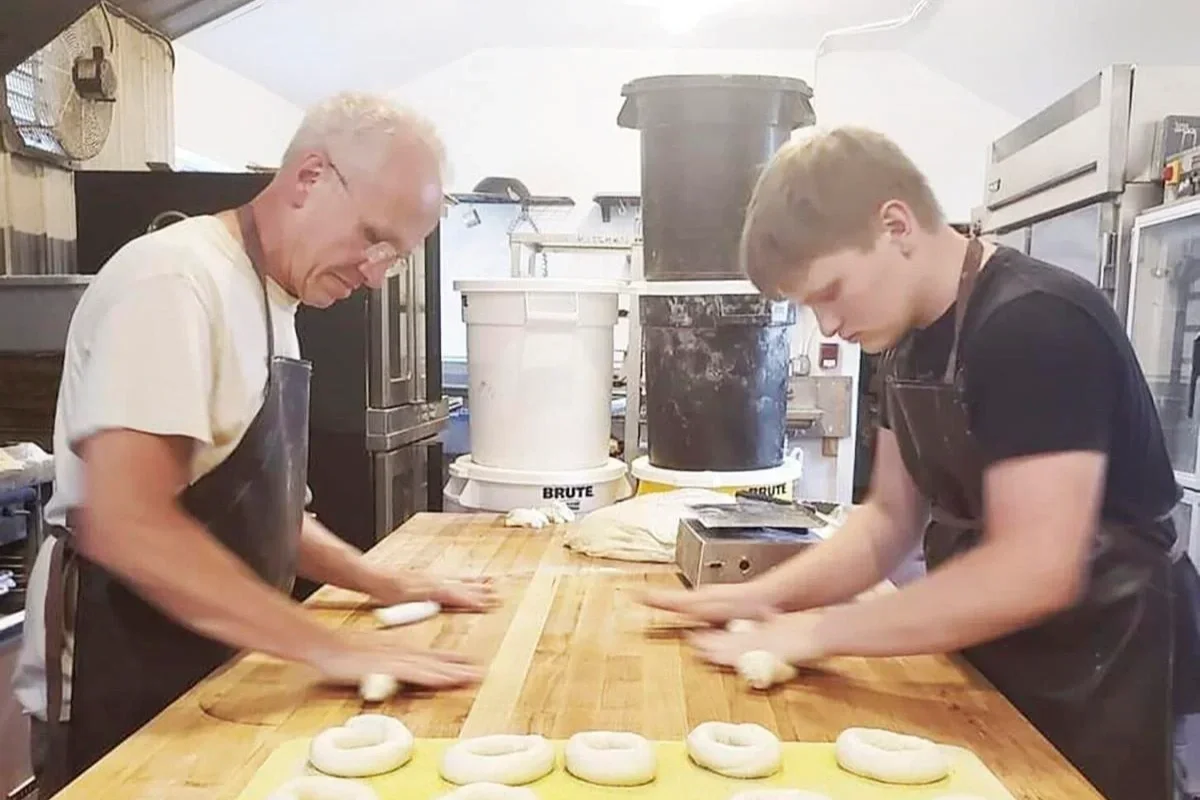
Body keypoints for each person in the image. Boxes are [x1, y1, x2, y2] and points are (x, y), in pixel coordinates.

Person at [639, 126, 1200, 800]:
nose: (826, 326)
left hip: (1106, 662)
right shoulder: (905, 343)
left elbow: (1036, 569)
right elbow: (889, 521)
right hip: (994, 644)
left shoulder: (1035, 323)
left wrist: (818, 632)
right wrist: (762, 597)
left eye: (830, 291)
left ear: (896, 224)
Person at [12, 91, 498, 794]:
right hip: (121, 677)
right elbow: (128, 524)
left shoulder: (270, 301)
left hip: (212, 663)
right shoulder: (176, 282)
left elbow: (261, 514)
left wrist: (383, 579)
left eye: (396, 254)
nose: (376, 273)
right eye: (373, 237)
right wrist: (326, 647)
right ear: (308, 178)